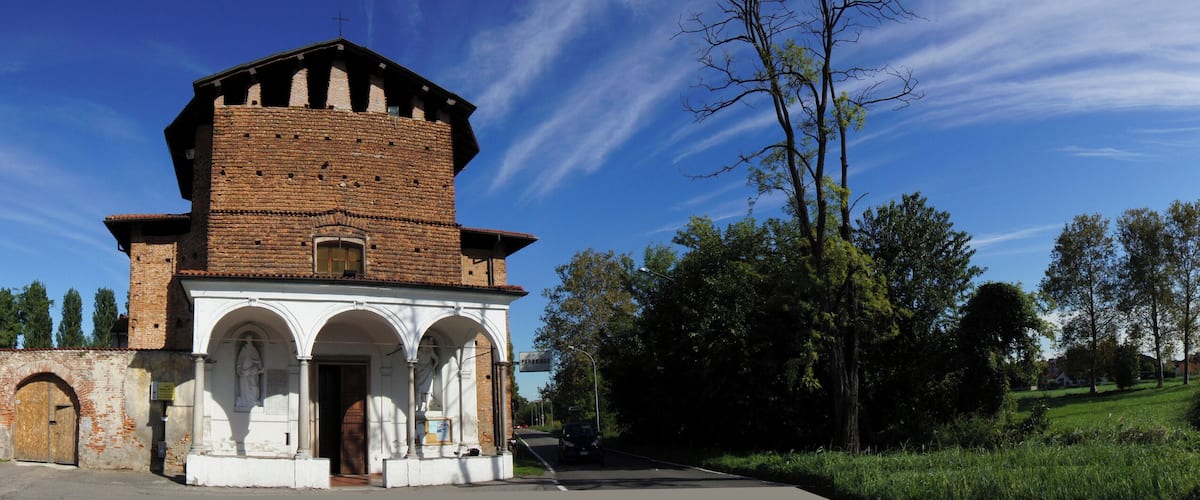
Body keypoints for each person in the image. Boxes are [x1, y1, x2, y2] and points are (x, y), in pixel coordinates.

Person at [236, 343, 263, 408]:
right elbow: (239, 361)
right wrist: (239, 369)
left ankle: (254, 399)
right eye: (248, 339)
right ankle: (246, 399)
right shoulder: (243, 350)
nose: (249, 340)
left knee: (254, 386)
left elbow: (259, 362)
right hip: (244, 371)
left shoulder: (254, 350)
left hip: (253, 371)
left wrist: (257, 362)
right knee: (245, 386)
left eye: (250, 339)